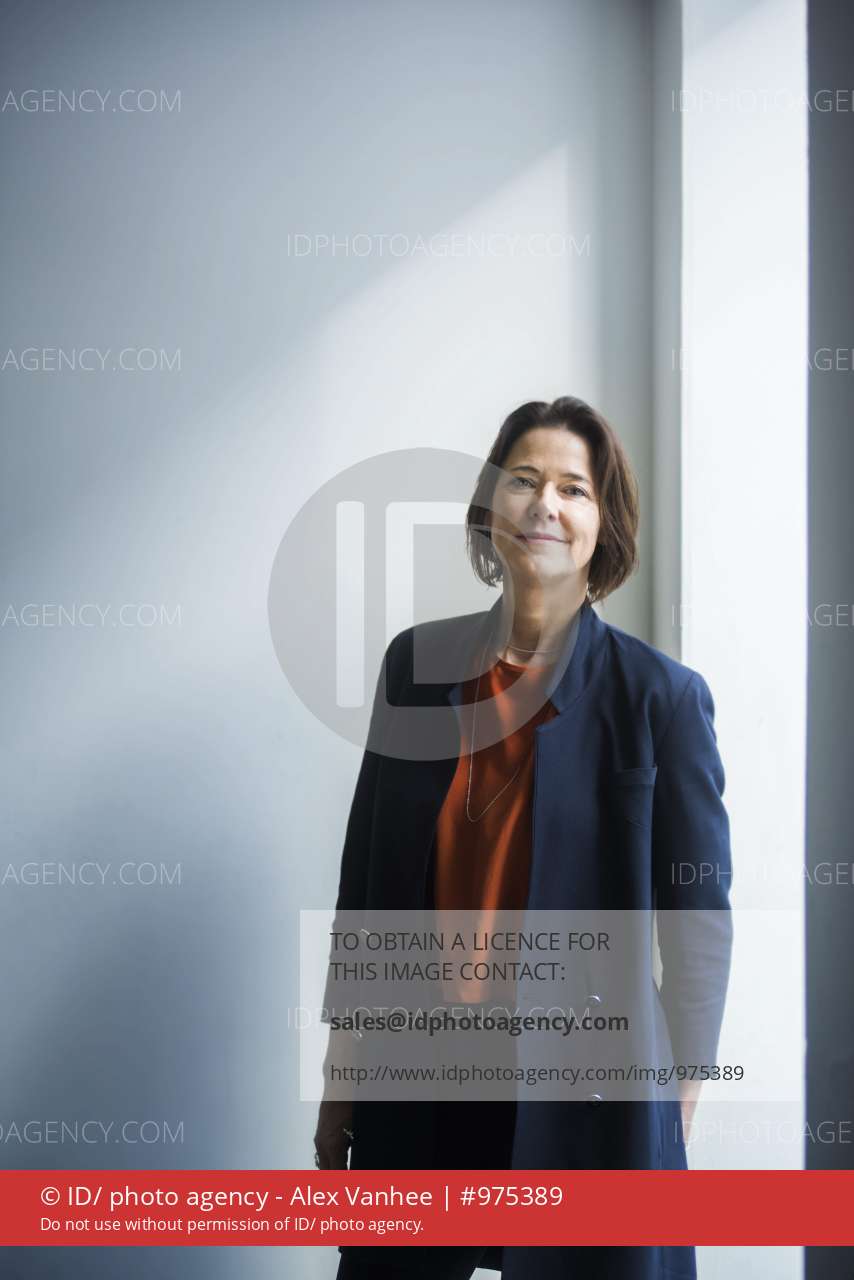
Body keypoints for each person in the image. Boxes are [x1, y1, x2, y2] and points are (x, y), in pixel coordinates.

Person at [315, 396, 733, 1280]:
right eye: (524, 480)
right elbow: (365, 898)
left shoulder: (659, 698)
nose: (546, 503)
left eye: (574, 488)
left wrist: (676, 1108)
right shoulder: (414, 670)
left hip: (590, 1093)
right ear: (489, 505)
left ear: (602, 524)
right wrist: (341, 1077)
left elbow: (697, 931)